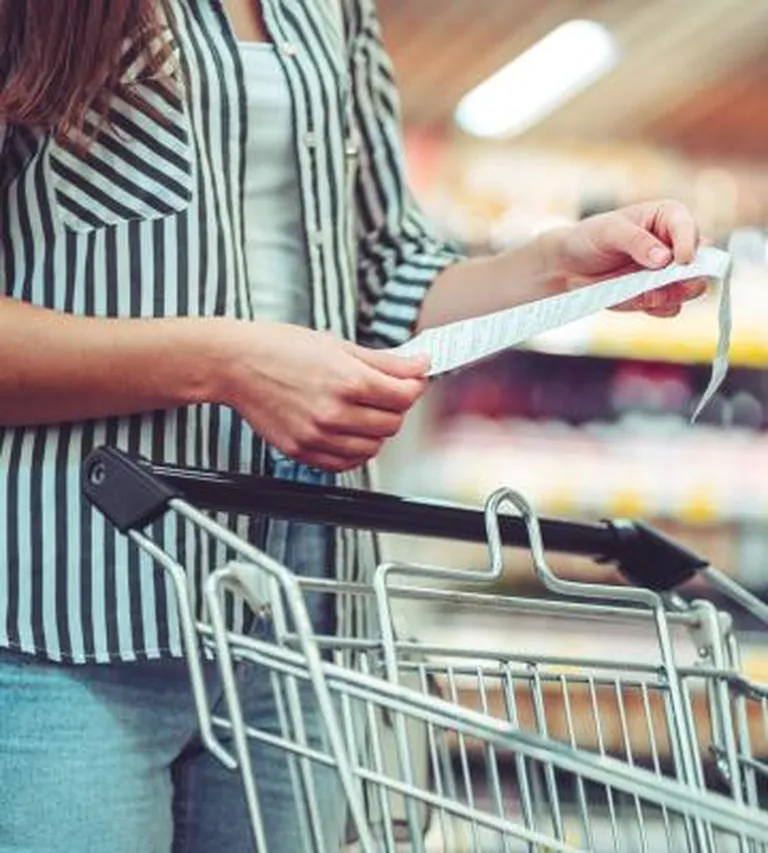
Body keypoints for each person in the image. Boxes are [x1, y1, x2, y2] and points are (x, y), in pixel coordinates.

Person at [0, 1, 708, 851]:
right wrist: (222, 361)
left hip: (300, 612)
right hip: (63, 615)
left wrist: (561, 266)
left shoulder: (331, 8)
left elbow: (384, 277)